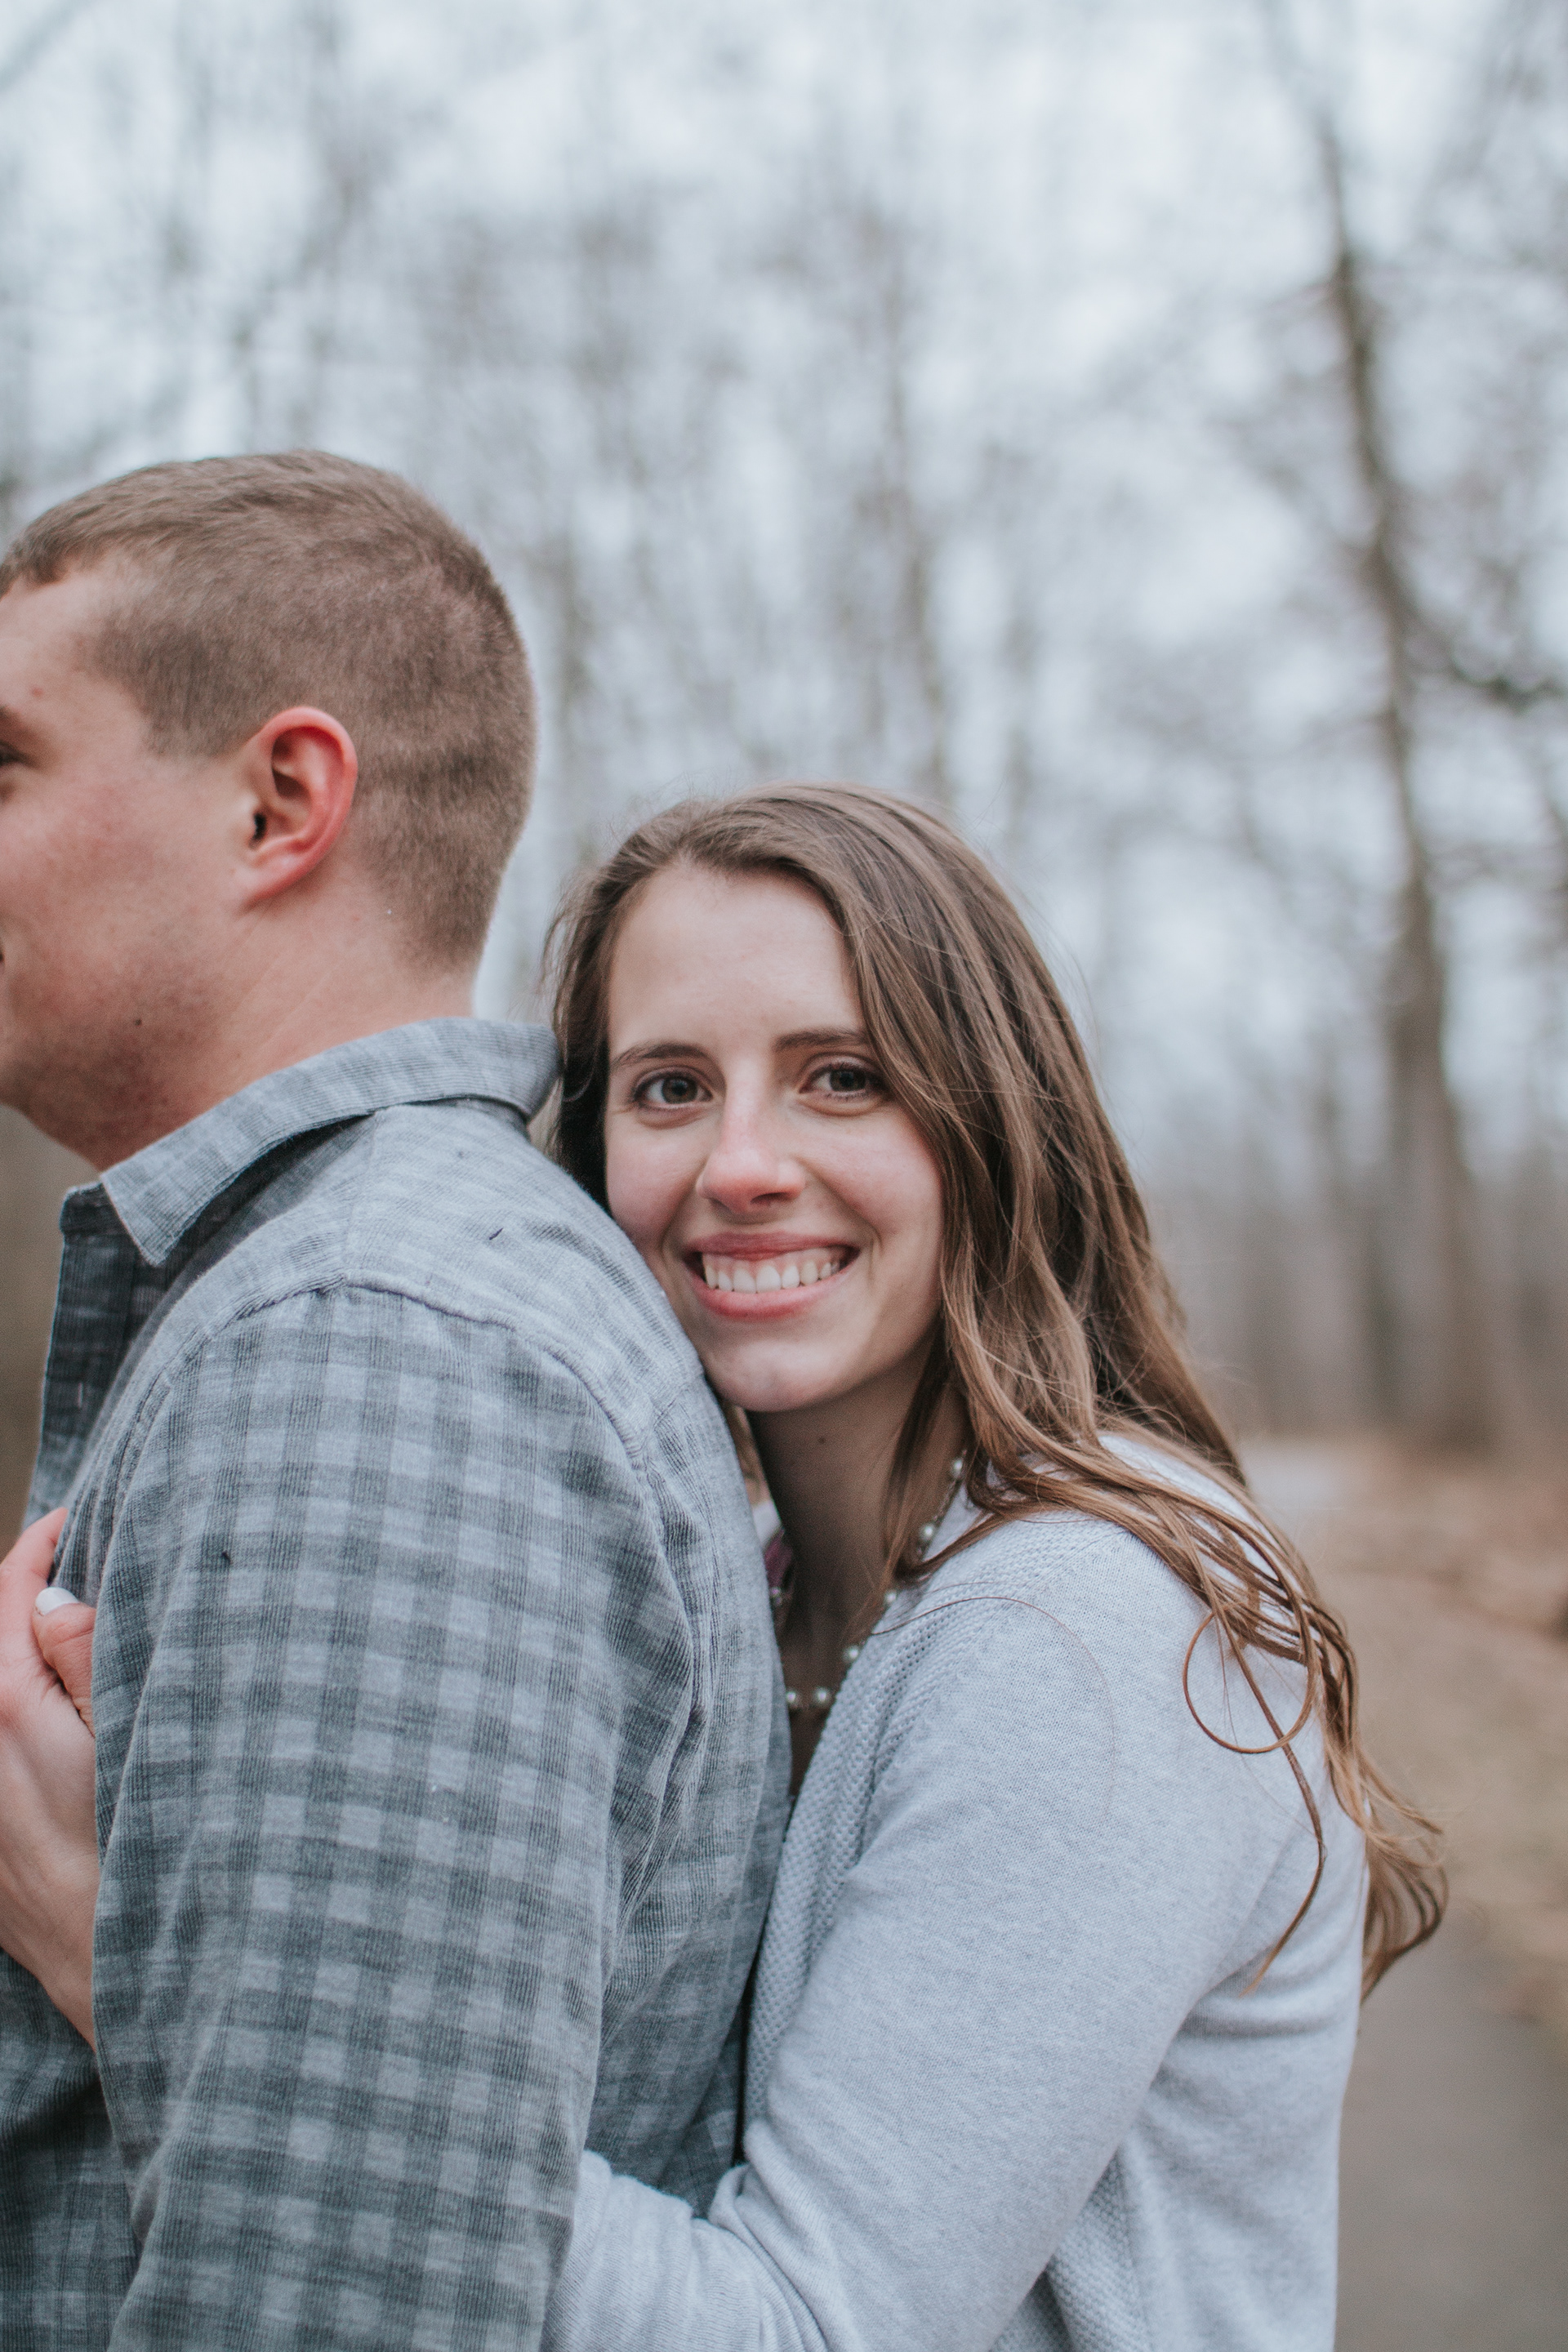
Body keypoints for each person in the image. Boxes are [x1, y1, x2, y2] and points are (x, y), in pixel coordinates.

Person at [2, 780, 1442, 2349]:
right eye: (672, 1087)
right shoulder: (752, 1588)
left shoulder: (1075, 1630)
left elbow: (802, 2327)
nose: (742, 1164)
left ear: (992, 1120)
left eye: (843, 1079)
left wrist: (165, 1988)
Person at [0, 457, 786, 2352]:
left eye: (5, 764)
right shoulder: (340, 1296)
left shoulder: (369, 1348)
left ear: (282, 805)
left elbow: (336, 2307)